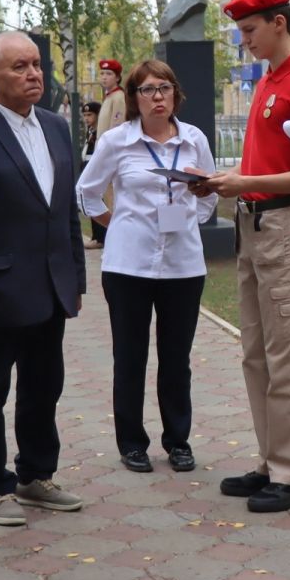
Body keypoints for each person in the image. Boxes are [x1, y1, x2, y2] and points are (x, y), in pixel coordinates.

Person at [197, 0, 290, 513]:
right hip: (250, 226)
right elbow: (269, 163)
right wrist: (231, 178)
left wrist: (247, 181)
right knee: (255, 353)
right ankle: (270, 460)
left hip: (282, 229)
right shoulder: (268, 80)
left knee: (286, 354)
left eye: (250, 30)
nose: (244, 40)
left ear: (279, 22)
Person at [0, 32, 88, 529]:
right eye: (19, 67)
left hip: (51, 286)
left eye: (37, 65)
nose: (34, 75)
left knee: (44, 385)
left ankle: (36, 475)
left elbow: (65, 212)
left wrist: (75, 274)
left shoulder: (55, 127)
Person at [76, 59, 218, 473]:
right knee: (130, 355)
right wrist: (116, 223)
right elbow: (86, 193)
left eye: (165, 88)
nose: (158, 97)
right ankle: (132, 443)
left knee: (177, 358)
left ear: (176, 94)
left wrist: (190, 212)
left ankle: (178, 441)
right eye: (148, 90)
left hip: (183, 265)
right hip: (128, 266)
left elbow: (210, 196)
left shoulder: (193, 140)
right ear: (134, 98)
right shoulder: (117, 141)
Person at [89, 58, 127, 246]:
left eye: (109, 74)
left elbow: (116, 128)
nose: (104, 77)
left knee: (113, 200)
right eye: (102, 73)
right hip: (103, 153)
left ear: (118, 77)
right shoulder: (109, 96)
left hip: (112, 156)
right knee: (107, 197)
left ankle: (116, 242)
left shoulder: (118, 98)